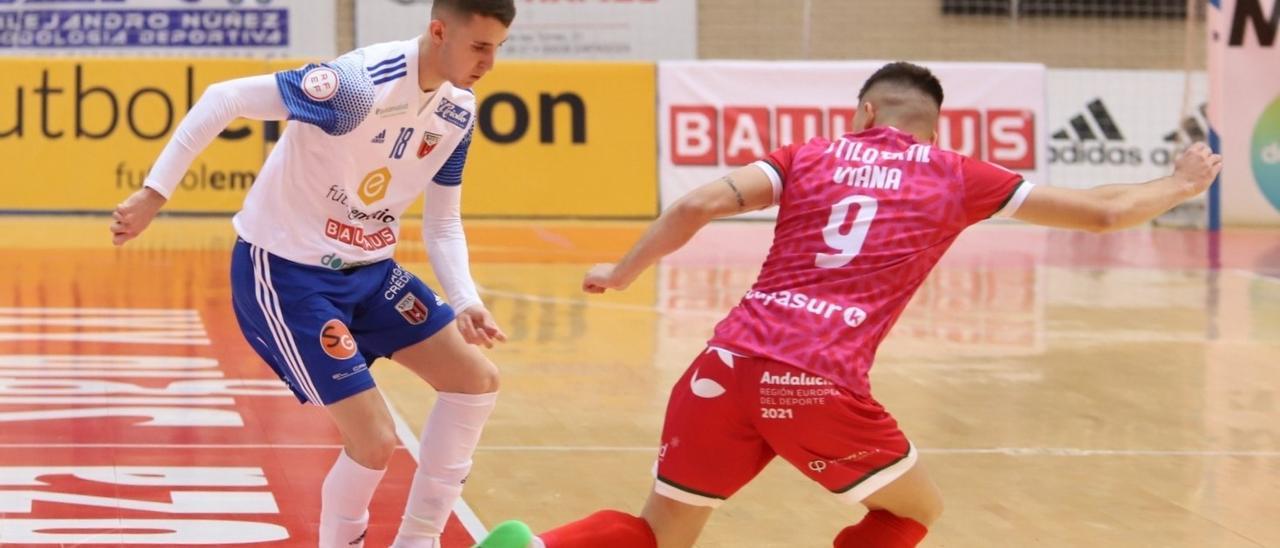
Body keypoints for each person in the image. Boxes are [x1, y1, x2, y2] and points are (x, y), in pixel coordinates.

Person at [474, 62, 1224, 548]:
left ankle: (534, 547)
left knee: (660, 527)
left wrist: (626, 269)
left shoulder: (812, 154)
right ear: (937, 126)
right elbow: (1100, 212)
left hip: (724, 365)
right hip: (815, 381)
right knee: (912, 512)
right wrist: (1179, 186)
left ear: (864, 112)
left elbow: (700, 200)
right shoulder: (955, 173)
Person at [109, 1, 517, 547]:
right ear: (439, 31)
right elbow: (223, 97)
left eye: (497, 48)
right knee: (374, 440)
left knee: (476, 381)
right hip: (285, 272)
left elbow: (442, 223)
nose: (489, 63)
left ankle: (418, 541)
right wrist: (154, 193)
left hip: (371, 272)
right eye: (480, 46)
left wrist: (465, 300)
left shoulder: (457, 111)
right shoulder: (353, 87)